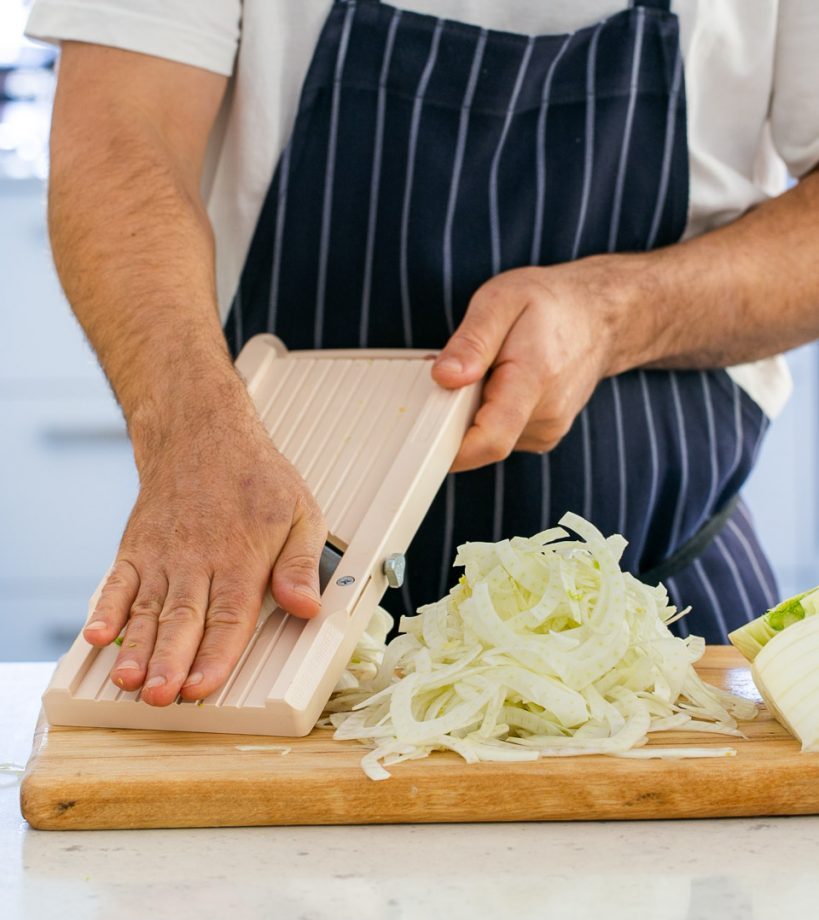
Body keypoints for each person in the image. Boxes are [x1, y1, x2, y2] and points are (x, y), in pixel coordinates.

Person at [26, 0, 819, 708]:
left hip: (658, 620)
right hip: (268, 604)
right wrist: (188, 434)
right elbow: (120, 133)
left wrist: (615, 312)